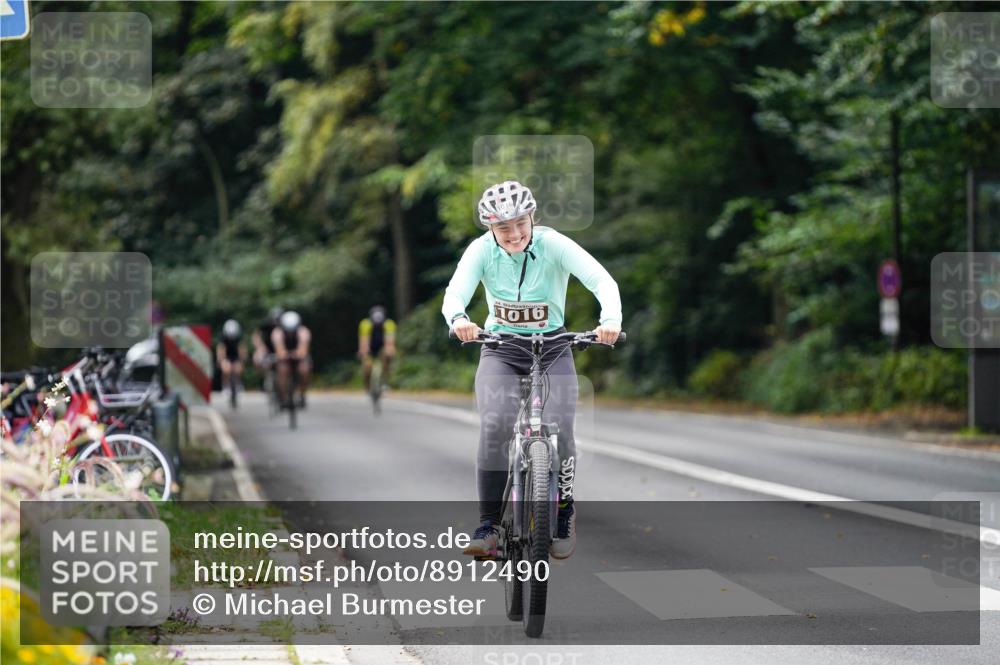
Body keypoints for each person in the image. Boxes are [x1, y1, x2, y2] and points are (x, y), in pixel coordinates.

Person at [442, 180, 622, 560]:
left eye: (520, 223)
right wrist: (459, 317)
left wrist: (610, 320)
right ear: (491, 229)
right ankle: (488, 525)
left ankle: (563, 512)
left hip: (554, 347)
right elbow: (455, 292)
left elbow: (600, 279)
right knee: (495, 425)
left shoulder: (553, 244)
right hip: (501, 349)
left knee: (563, 427)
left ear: (532, 218)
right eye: (503, 228)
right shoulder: (480, 251)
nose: (514, 234)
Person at [272, 310, 311, 409]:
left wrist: (296, 354)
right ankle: (284, 397)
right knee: (282, 370)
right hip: (285, 358)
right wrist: (287, 354)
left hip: (298, 358)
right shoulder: (277, 333)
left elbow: (303, 350)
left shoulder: (304, 332)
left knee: (304, 370)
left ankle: (302, 394)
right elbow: (280, 351)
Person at [358, 305, 397, 393]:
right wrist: (363, 352)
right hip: (370, 346)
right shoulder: (365, 324)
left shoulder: (389, 324)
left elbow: (390, 341)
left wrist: (390, 350)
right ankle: (367, 386)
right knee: (367, 366)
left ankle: (385, 382)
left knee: (387, 358)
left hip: (382, 346)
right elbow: (364, 341)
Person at [216, 319, 246, 399]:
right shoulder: (222, 338)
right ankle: (226, 386)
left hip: (236, 357)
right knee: (226, 369)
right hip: (226, 356)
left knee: (238, 369)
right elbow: (221, 350)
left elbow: (242, 350)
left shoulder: (239, 338)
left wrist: (242, 360)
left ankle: (238, 384)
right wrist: (221, 360)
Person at [252, 306, 283, 372]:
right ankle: (262, 378)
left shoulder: (285, 327)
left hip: (281, 350)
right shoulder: (266, 325)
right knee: (257, 358)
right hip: (267, 349)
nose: (276, 322)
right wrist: (260, 346)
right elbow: (256, 336)